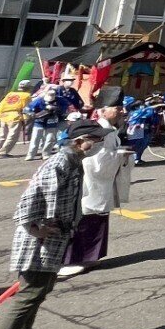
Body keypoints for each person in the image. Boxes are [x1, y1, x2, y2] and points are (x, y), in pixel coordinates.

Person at [0, 119, 103, 329]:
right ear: (78, 141)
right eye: (96, 139)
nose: (99, 144)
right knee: (28, 294)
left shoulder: (74, 162)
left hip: (54, 238)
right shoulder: (60, 164)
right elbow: (28, 201)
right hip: (40, 241)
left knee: (39, 290)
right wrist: (35, 228)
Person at [60, 105, 128, 278]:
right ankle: (72, 260)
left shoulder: (109, 130)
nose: (123, 112)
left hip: (102, 184)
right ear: (102, 111)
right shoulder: (97, 130)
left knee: (98, 220)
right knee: (85, 219)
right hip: (90, 185)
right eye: (117, 108)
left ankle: (90, 257)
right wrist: (121, 156)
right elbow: (97, 162)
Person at [0, 81, 34, 158]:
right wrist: (26, 119)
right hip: (15, 116)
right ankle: (2, 153)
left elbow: (1, 105)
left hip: (4, 115)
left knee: (1, 134)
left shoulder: (10, 94)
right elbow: (26, 108)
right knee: (12, 136)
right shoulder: (27, 96)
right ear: (28, 87)